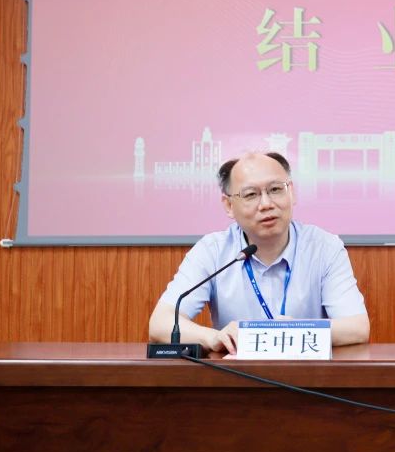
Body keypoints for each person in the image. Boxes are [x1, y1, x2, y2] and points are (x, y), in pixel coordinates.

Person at [149, 152, 370, 354]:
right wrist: (214, 337)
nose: (266, 204)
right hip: (235, 378)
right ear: (229, 205)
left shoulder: (324, 247)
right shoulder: (212, 251)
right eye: (251, 194)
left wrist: (299, 330)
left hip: (307, 377)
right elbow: (161, 323)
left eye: (275, 190)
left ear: (291, 193)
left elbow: (357, 327)